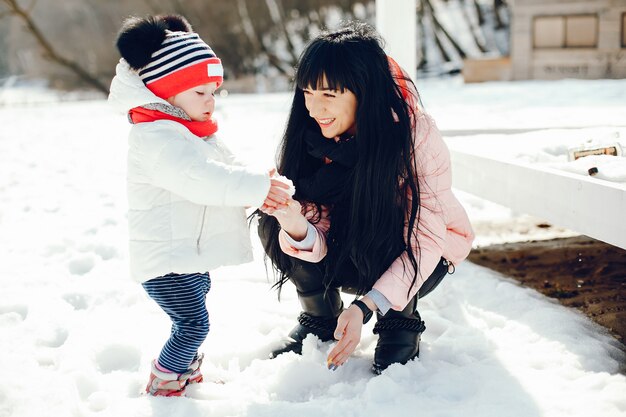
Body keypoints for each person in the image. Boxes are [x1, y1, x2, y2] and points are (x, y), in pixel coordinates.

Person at [257, 22, 475, 374]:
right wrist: (294, 222)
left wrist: (364, 307)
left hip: (423, 251)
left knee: (383, 215)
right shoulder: (314, 137)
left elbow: (424, 238)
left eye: (329, 94)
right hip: (350, 242)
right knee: (274, 218)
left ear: (365, 92)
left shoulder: (414, 137)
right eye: (307, 93)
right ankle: (320, 318)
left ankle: (398, 322)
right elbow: (321, 221)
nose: (314, 108)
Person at [108, 14, 289, 396]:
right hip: (165, 259)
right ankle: (165, 378)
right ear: (166, 92)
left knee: (195, 308)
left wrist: (260, 181)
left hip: (184, 255)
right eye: (199, 93)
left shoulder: (186, 130)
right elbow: (200, 178)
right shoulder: (156, 137)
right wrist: (254, 188)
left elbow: (225, 167)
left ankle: (186, 370)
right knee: (193, 323)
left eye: (213, 91)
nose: (210, 101)